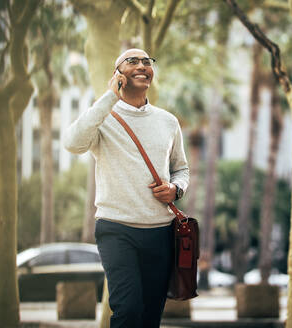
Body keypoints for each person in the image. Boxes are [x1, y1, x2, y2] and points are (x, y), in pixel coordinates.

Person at [63, 48, 189, 328]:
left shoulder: (168, 122)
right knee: (127, 311)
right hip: (116, 229)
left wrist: (176, 189)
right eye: (132, 61)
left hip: (161, 232)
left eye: (147, 61)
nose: (142, 65)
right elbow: (72, 143)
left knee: (150, 317)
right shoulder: (102, 117)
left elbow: (182, 168)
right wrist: (110, 96)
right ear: (117, 73)